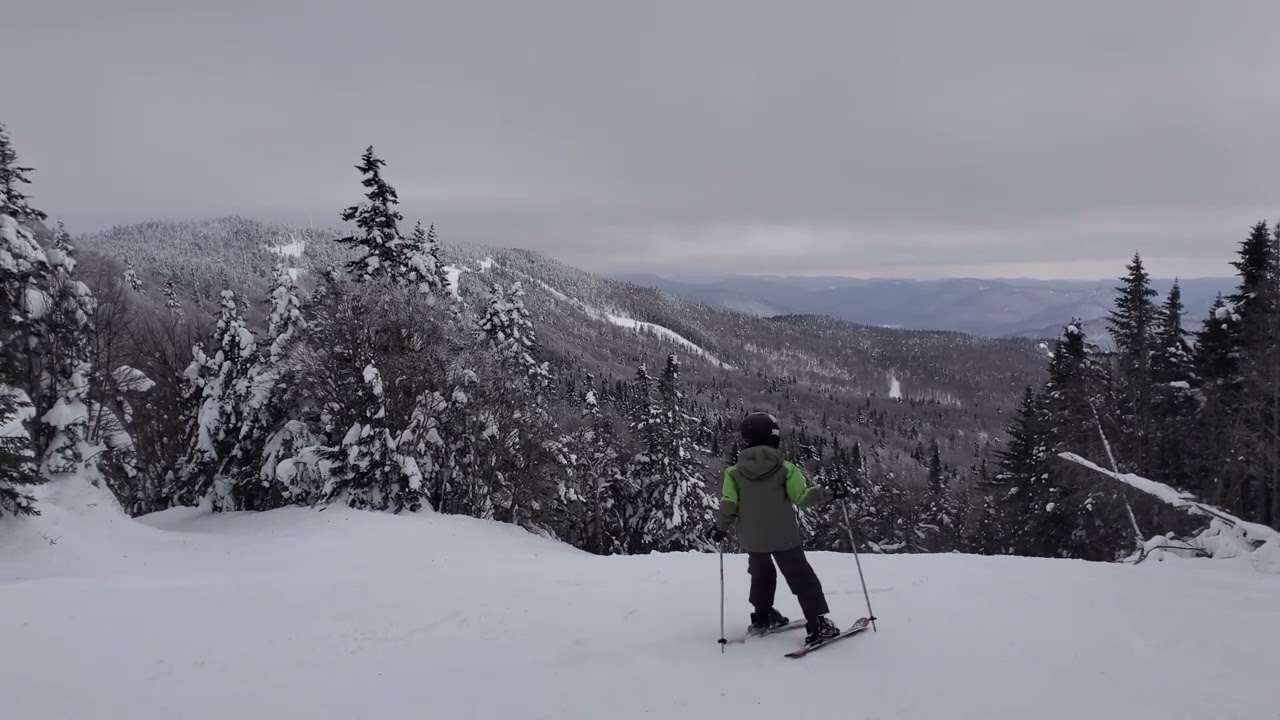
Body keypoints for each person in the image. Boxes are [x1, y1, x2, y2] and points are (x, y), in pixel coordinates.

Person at [710, 412, 844, 646]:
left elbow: (729, 504)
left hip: (753, 539)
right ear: (774, 437)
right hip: (784, 537)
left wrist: (719, 528)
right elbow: (802, 497)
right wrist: (830, 492)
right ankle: (817, 623)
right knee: (801, 577)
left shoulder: (733, 473)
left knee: (762, 575)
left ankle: (762, 616)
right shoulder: (785, 468)